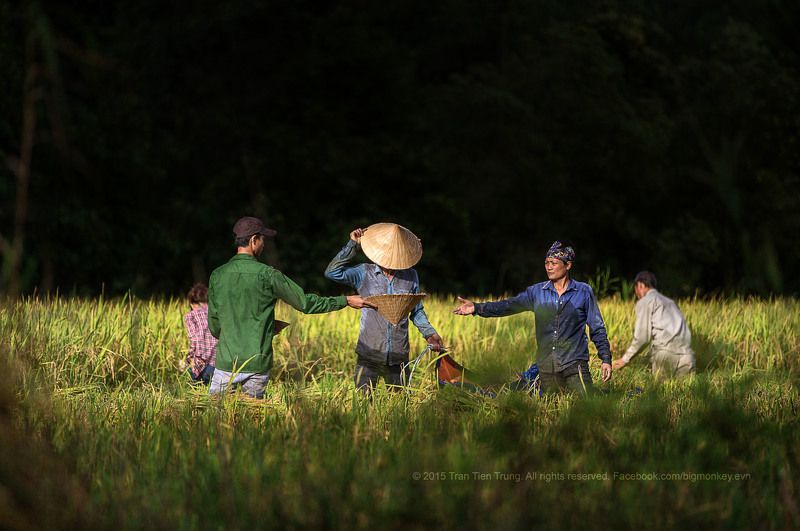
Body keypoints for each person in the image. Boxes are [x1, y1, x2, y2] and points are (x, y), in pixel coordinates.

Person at [207, 216, 373, 399]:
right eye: (263, 240)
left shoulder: (217, 275)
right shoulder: (268, 275)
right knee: (253, 414)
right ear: (254, 240)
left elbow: (215, 326)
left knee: (216, 412)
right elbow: (305, 304)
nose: (264, 245)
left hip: (225, 363)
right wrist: (345, 300)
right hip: (257, 364)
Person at [453, 240, 612, 394]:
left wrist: (605, 358)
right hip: (547, 366)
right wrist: (477, 308)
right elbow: (508, 305)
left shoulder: (583, 292)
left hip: (574, 363)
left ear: (568, 265)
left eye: (553, 263)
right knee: (534, 396)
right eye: (546, 263)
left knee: (585, 399)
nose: (549, 267)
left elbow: (597, 328)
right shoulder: (537, 292)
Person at [324, 223, 443, 394]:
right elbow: (332, 273)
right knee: (364, 402)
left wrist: (429, 333)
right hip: (369, 352)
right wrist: (352, 245)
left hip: (398, 354)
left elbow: (416, 310)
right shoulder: (364, 272)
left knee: (399, 402)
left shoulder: (411, 276)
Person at [612, 271, 696, 379]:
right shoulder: (671, 302)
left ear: (640, 285)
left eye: (636, 290)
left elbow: (642, 338)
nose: (637, 295)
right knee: (685, 390)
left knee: (661, 390)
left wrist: (624, 360)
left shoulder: (646, 301)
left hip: (665, 357)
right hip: (687, 357)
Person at [183, 283, 217, 385]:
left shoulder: (191, 316)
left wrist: (186, 361)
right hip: (222, 368)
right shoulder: (216, 313)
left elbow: (195, 341)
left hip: (206, 369)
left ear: (191, 303)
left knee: (187, 374)